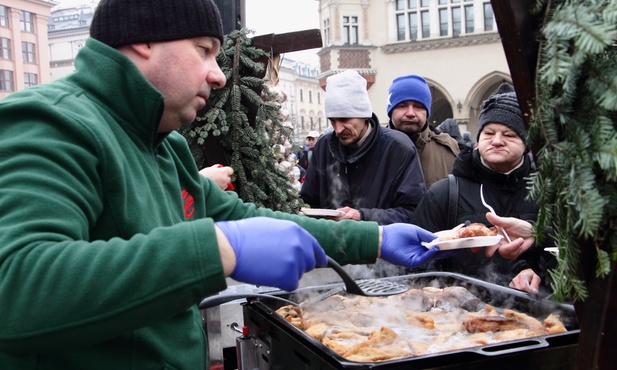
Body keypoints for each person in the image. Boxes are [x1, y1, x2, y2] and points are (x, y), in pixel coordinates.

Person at [0, 1, 451, 368]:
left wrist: (373, 237)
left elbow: (241, 217)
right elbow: (16, 287)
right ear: (142, 40)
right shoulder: (52, 122)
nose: (218, 74)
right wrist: (217, 248)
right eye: (204, 50)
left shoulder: (164, 145)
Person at [411, 83, 556, 294]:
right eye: (489, 133)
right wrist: (444, 293)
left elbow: (570, 260)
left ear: (527, 143)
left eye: (509, 135)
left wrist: (537, 274)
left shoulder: (548, 193)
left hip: (537, 318)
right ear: (478, 138)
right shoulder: (444, 194)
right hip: (460, 318)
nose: (497, 141)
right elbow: (419, 263)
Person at [300, 70, 426, 225]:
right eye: (332, 121)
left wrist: (362, 216)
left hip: (380, 246)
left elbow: (413, 212)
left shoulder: (399, 148)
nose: (338, 129)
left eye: (344, 119)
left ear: (364, 114)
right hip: (332, 245)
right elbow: (308, 202)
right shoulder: (324, 146)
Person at [387, 74, 461, 187]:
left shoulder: (449, 150)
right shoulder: (373, 149)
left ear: (427, 112)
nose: (410, 113)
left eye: (418, 106)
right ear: (391, 110)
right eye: (402, 106)